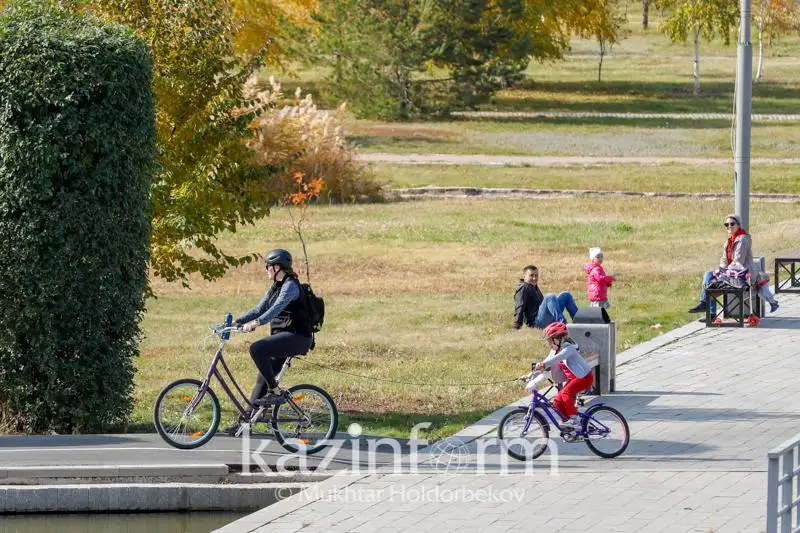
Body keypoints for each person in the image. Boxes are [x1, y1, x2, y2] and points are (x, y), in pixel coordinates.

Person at [225, 248, 313, 433]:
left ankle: (275, 392)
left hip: (298, 337)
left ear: (278, 267)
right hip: (284, 338)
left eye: (268, 266)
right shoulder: (276, 286)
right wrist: (238, 322)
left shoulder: (290, 286)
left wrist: (256, 324)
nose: (266, 270)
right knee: (262, 379)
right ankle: (245, 423)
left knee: (257, 349)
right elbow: (259, 308)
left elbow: (274, 309)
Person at [689, 214, 779, 315]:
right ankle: (706, 305)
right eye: (726, 225)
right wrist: (722, 269)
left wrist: (723, 272)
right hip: (731, 273)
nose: (729, 226)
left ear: (738, 225)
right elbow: (723, 259)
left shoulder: (742, 240)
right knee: (708, 275)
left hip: (743, 275)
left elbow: (738, 261)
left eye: (732, 224)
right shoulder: (729, 241)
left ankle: (709, 309)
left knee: (711, 282)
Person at [534, 322, 593, 431]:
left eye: (550, 340)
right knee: (557, 402)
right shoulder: (555, 350)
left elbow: (558, 357)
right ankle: (569, 427)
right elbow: (547, 361)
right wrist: (530, 375)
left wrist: (544, 365)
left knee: (566, 393)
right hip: (574, 379)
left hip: (584, 377)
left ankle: (574, 420)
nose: (549, 343)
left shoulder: (568, 348)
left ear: (558, 338)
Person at [514, 265, 578, 329]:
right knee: (550, 296)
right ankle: (563, 324)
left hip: (544, 317)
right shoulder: (523, 288)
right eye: (531, 275)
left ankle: (579, 322)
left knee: (566, 295)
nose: (534, 278)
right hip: (536, 322)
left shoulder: (533, 286)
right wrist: (517, 326)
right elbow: (520, 307)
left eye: (536, 275)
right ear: (524, 276)